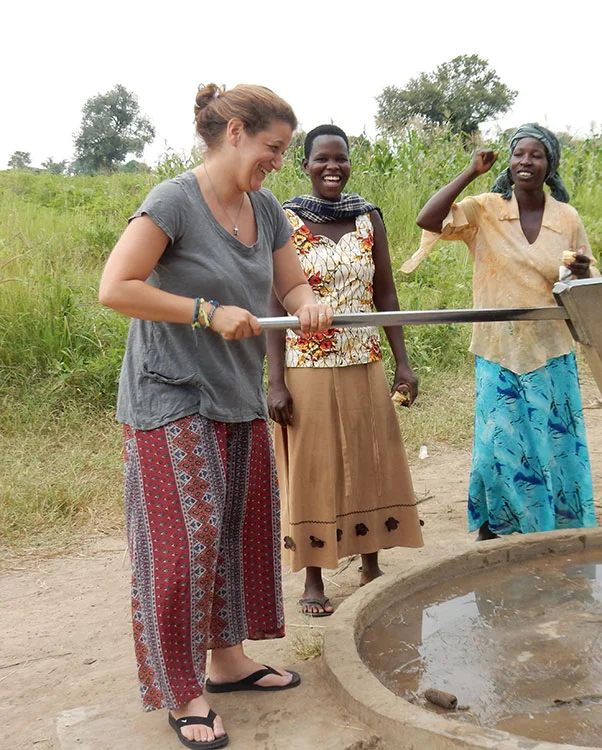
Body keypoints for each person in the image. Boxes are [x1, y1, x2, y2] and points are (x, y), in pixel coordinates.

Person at [99, 83, 333, 750]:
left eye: (283, 151)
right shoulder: (174, 200)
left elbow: (289, 282)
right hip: (170, 393)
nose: (278, 162)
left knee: (234, 531)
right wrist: (205, 312)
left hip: (237, 391)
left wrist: (308, 300)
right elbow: (116, 287)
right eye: (272, 147)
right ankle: (181, 690)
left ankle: (227, 662)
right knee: (186, 545)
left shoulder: (265, 208)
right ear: (233, 132)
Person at [411, 123, 598, 540]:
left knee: (554, 446)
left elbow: (589, 275)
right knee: (501, 445)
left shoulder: (566, 218)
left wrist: (584, 271)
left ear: (550, 165)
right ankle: (496, 529)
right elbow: (428, 218)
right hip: (497, 351)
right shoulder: (486, 209)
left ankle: (558, 530)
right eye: (519, 154)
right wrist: (470, 173)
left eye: (536, 155)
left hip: (550, 351)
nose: (525, 162)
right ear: (509, 161)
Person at [267, 124, 424, 615]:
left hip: (363, 359)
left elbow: (387, 293)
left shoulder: (367, 217)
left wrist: (403, 361)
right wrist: (274, 381)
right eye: (321, 159)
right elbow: (273, 300)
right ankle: (313, 577)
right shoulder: (285, 219)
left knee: (367, 458)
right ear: (305, 165)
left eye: (341, 158)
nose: (332, 167)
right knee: (316, 468)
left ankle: (370, 561)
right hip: (306, 365)